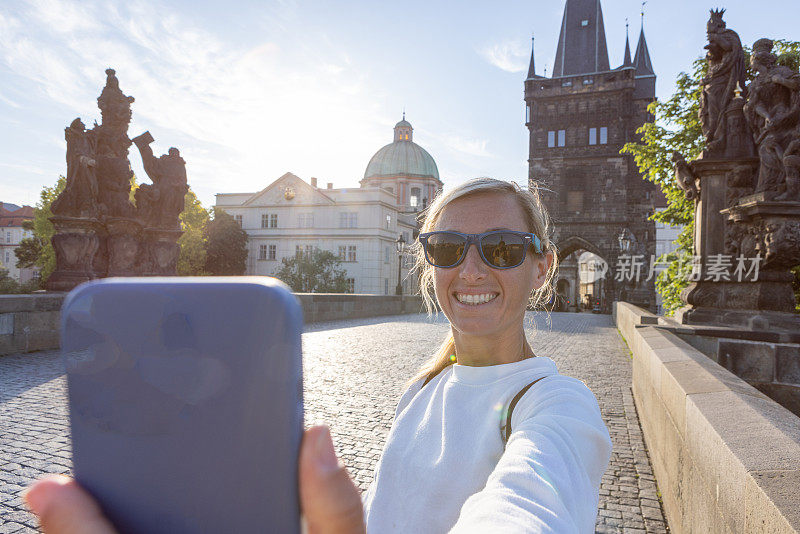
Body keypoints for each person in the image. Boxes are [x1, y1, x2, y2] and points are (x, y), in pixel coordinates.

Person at [25, 178, 612, 533]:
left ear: (543, 266)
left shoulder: (561, 407)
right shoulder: (426, 386)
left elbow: (529, 503)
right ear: (429, 262)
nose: (472, 269)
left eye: (504, 248)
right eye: (449, 247)